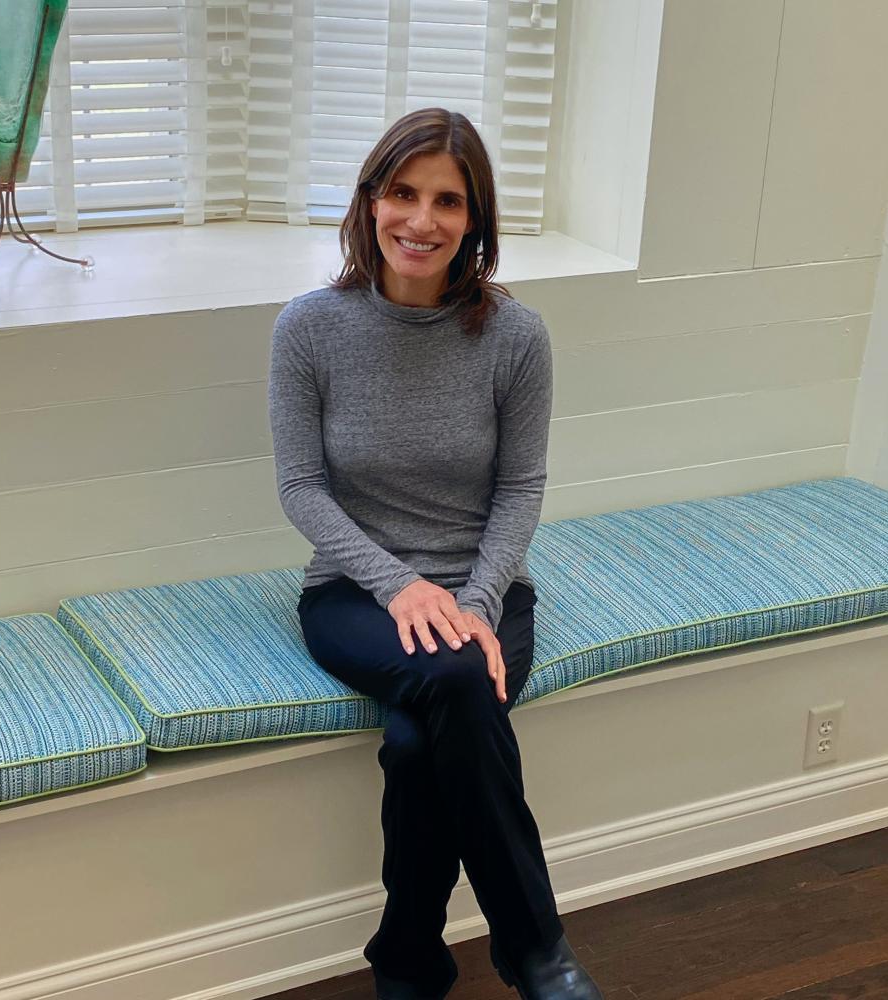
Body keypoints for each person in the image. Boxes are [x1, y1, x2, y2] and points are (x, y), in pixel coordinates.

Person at [267, 107, 603, 1000]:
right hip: (352, 593)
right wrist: (400, 585)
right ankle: (537, 951)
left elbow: (520, 489)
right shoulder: (308, 329)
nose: (422, 220)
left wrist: (478, 602)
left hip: (490, 594)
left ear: (475, 219)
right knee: (454, 682)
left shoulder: (516, 337)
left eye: (448, 201)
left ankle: (409, 960)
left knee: (421, 741)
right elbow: (301, 488)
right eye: (403, 192)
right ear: (370, 201)